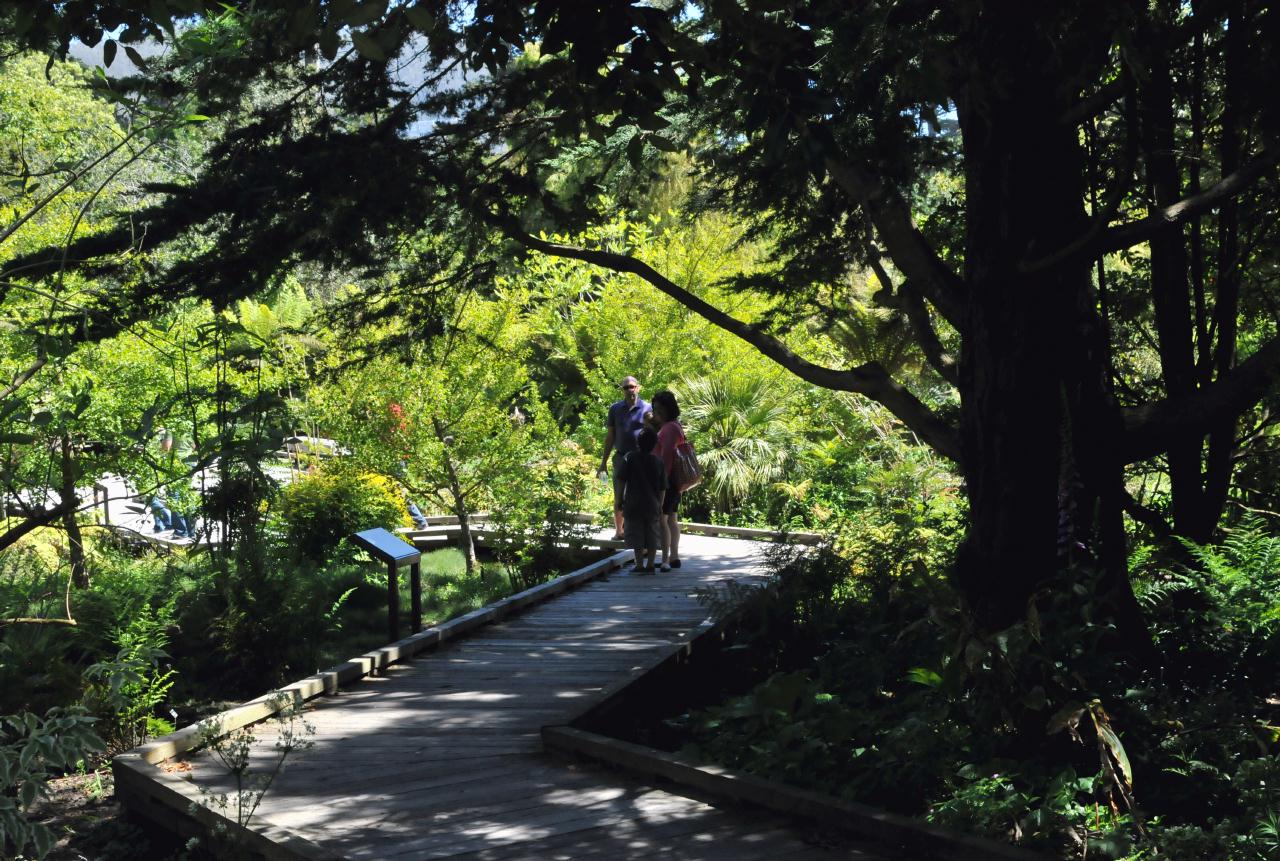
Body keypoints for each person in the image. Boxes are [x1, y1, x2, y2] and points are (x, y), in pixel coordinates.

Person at [598, 375, 650, 541]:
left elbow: (654, 435)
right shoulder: (615, 409)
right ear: (622, 390)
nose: (630, 390)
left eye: (632, 386)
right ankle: (619, 531)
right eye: (626, 387)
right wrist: (603, 463)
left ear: (638, 388)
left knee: (639, 496)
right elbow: (610, 436)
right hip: (621, 458)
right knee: (619, 495)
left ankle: (636, 532)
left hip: (641, 460)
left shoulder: (647, 408)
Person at [616, 427, 667, 573]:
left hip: (633, 503)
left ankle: (639, 565)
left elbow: (621, 480)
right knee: (652, 534)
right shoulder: (658, 462)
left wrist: (619, 499)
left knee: (636, 534)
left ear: (637, 443)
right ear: (654, 444)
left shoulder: (629, 457)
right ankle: (650, 564)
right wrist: (660, 505)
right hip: (652, 504)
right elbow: (663, 486)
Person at [651, 390, 685, 571]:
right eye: (655, 408)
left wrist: (660, 481)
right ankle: (673, 557)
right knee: (671, 518)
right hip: (672, 480)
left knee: (662, 519)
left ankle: (665, 559)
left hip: (667, 480)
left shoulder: (670, 428)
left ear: (668, 409)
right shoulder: (672, 426)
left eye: (659, 408)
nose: (657, 412)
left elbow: (667, 457)